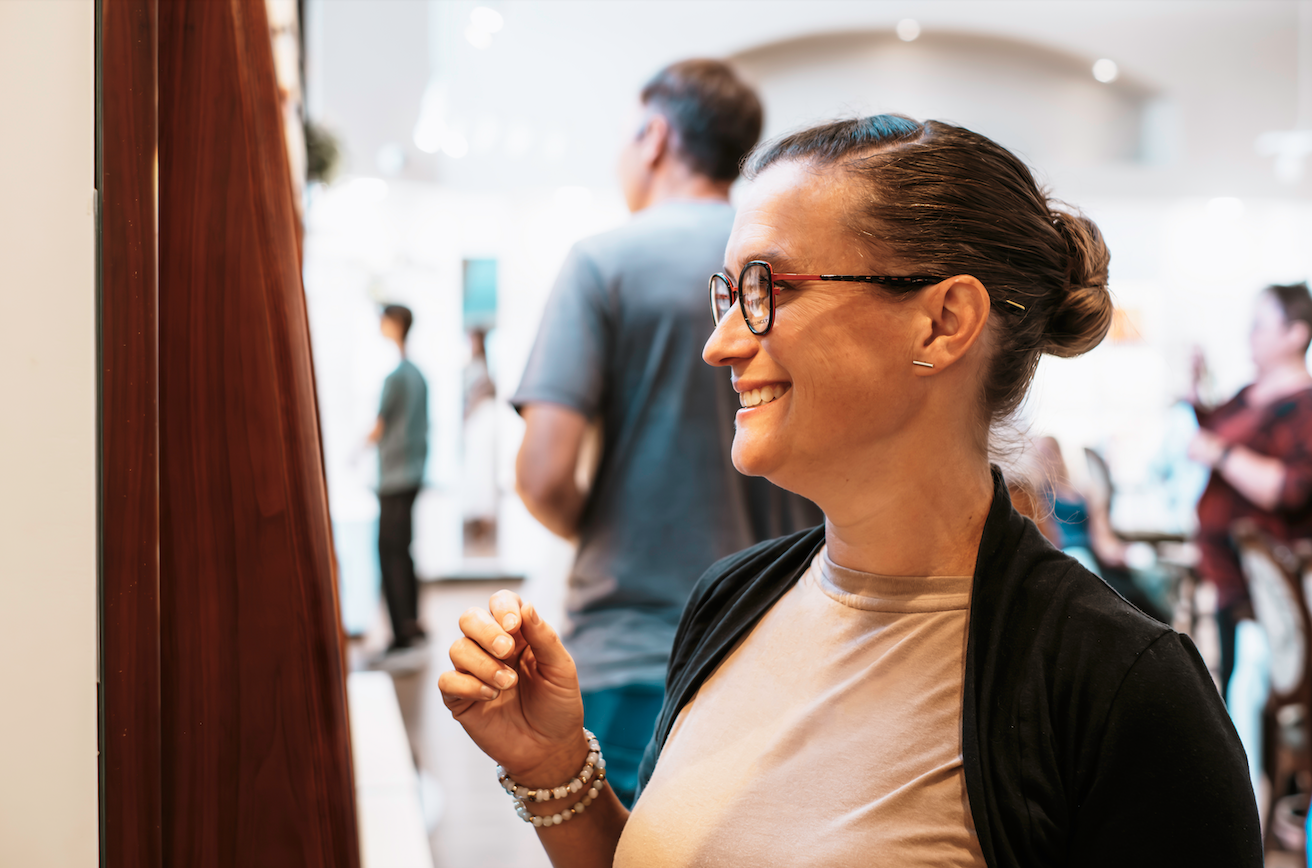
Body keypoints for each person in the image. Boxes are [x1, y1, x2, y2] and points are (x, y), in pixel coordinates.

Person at [445, 115, 1261, 866]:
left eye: (770, 289)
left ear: (942, 322)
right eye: (728, 294)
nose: (721, 344)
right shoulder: (732, 599)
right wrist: (555, 768)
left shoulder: (1120, 688)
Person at [509, 59, 817, 807]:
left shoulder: (604, 264)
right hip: (784, 645)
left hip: (634, 651)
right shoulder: (792, 267)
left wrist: (613, 523)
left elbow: (543, 473)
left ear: (653, 136)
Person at [1188, 282, 1312, 695]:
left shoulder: (1305, 406)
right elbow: (1214, 428)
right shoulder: (1248, 394)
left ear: (1297, 334)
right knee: (1231, 685)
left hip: (1271, 582)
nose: (1250, 335)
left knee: (1256, 693)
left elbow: (1293, 489)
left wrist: (1222, 455)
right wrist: (1198, 389)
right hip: (1228, 575)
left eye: (1261, 326)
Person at [368, 303, 429, 658]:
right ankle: (411, 623)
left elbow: (378, 427)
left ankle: (400, 635)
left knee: (389, 551)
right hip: (412, 474)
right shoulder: (418, 375)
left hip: (393, 477)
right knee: (403, 551)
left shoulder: (396, 378)